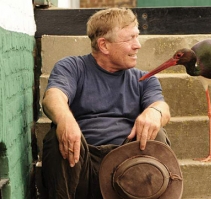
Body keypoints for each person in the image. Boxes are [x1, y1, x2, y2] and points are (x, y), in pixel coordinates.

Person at [41, 7, 171, 199]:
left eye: (137, 37)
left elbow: (162, 107)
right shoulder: (73, 67)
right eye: (130, 38)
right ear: (104, 45)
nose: (138, 45)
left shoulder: (145, 79)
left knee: (157, 132)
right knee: (56, 135)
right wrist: (65, 121)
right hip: (81, 164)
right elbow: (53, 96)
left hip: (129, 167)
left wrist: (155, 113)